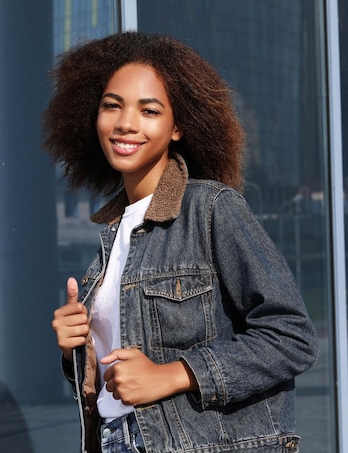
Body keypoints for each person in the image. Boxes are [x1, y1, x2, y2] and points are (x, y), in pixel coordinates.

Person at [45, 31, 318, 453]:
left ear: (178, 127)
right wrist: (75, 351)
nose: (125, 123)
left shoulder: (210, 209)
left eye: (149, 110)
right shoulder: (114, 238)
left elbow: (292, 337)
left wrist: (173, 373)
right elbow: (116, 382)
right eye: (111, 105)